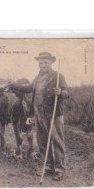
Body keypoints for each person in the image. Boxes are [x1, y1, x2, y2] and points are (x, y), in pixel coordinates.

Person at [10, 52, 69, 181]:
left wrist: (60, 92)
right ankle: (48, 166)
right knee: (42, 141)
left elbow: (67, 92)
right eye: (41, 62)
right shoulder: (37, 77)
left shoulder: (57, 76)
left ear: (51, 63)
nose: (43, 65)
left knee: (57, 140)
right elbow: (29, 88)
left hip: (53, 113)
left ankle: (59, 169)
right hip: (39, 113)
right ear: (38, 64)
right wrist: (13, 84)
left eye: (46, 62)